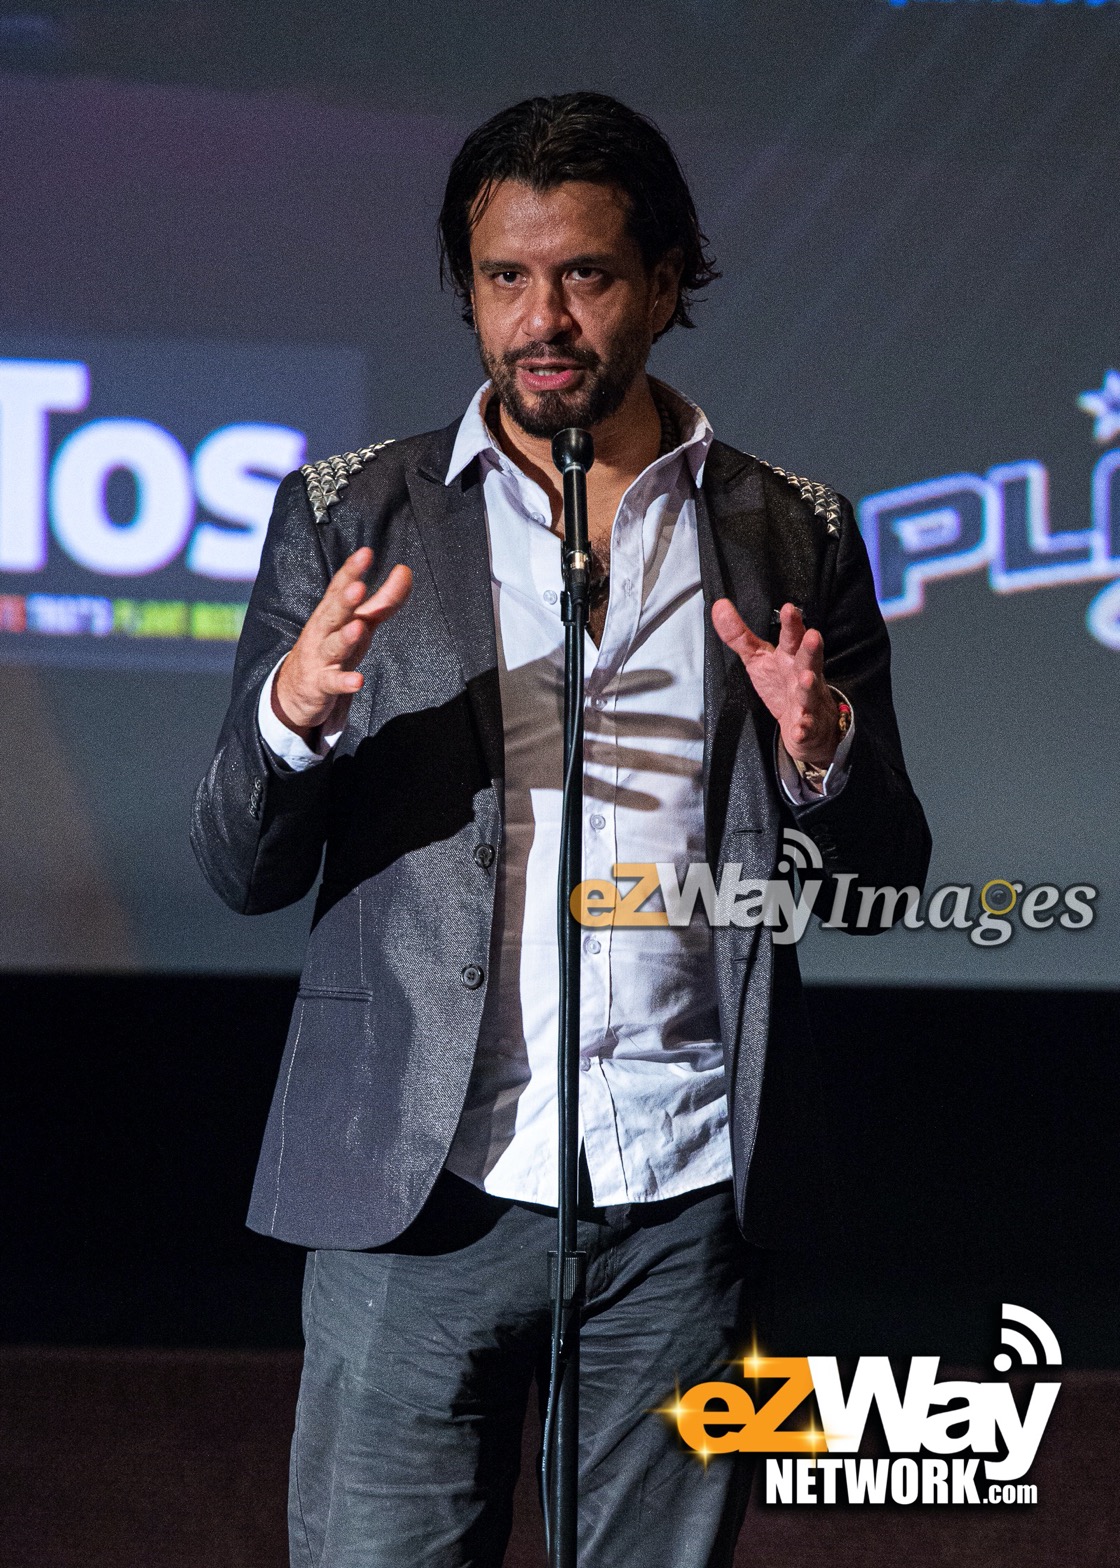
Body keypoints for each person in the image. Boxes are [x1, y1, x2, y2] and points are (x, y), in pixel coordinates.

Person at [192, 91, 930, 1568]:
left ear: (665, 282)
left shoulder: (795, 530)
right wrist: (292, 715)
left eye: (585, 274)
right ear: (467, 290)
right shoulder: (347, 514)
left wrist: (823, 758)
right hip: (418, 1190)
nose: (543, 319)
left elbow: (882, 872)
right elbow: (239, 866)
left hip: (684, 1194)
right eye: (504, 277)